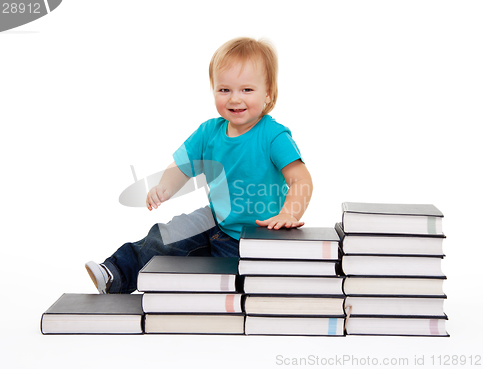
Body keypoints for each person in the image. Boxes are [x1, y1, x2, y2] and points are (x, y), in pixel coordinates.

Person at [85, 37, 313, 294]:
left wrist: (289, 214)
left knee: (238, 281)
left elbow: (301, 180)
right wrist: (164, 188)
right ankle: (115, 273)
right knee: (167, 235)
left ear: (268, 92)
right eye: (224, 90)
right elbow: (182, 167)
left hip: (257, 235)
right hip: (215, 219)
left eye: (247, 90)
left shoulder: (273, 136)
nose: (234, 99)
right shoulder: (209, 132)